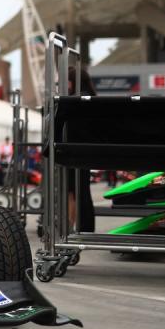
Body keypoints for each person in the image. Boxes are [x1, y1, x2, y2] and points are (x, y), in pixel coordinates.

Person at [67, 67, 96, 232]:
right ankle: (84, 226)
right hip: (87, 151)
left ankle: (72, 226)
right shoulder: (91, 96)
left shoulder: (75, 100)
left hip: (75, 151)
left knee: (74, 191)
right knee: (82, 191)